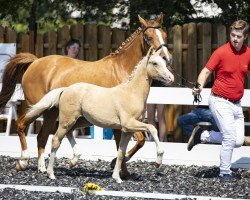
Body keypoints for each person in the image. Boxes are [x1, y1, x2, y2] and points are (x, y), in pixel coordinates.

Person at [188, 20, 250, 182]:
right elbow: (206, 71)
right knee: (229, 137)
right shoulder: (221, 52)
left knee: (237, 141)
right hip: (219, 101)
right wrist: (199, 86)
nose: (235, 39)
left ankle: (203, 135)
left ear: (245, 37)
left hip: (237, 104)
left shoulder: (248, 53)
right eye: (232, 35)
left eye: (238, 36)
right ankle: (224, 173)